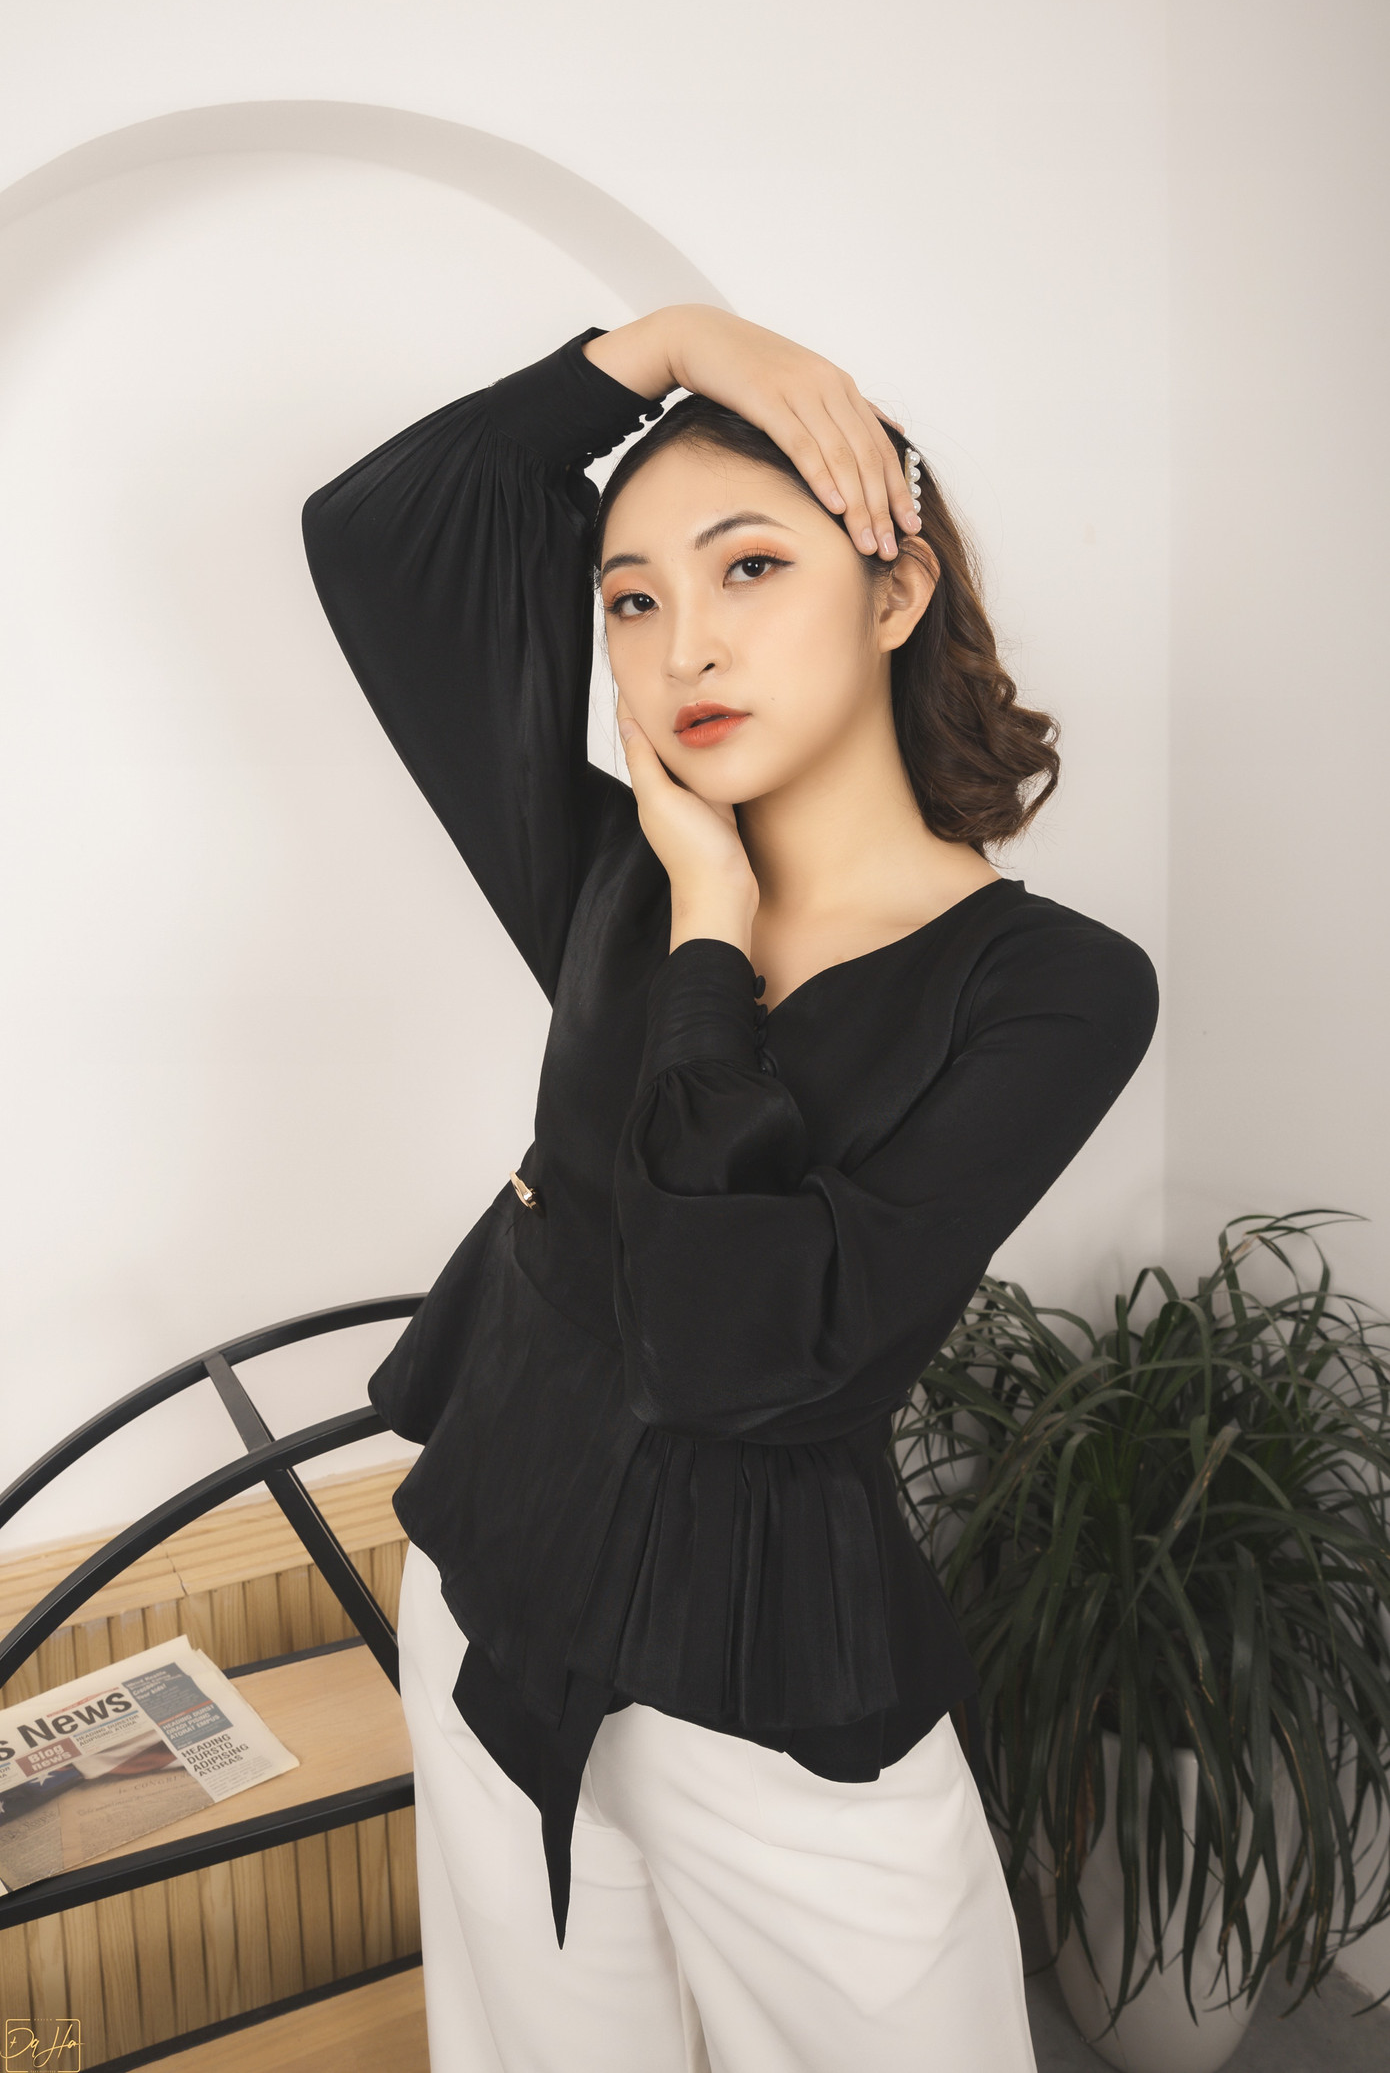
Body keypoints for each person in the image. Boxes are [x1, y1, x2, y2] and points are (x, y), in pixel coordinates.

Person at [301, 305, 1159, 2073]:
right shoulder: (606, 877)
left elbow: (735, 1354)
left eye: (751, 565)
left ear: (893, 588)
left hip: (765, 1676)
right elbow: (376, 535)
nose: (682, 641)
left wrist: (710, 931)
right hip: (489, 1585)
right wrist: (675, 343)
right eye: (629, 599)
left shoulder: (1053, 988)